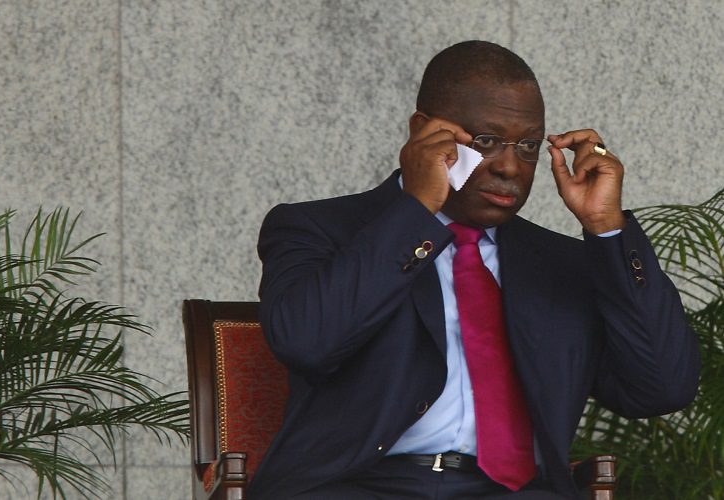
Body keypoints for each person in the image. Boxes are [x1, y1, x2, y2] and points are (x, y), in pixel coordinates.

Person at [250, 40, 700, 500]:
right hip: (356, 487)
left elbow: (662, 388)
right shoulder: (319, 228)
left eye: (528, 146)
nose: (510, 167)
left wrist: (608, 229)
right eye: (486, 141)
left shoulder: (561, 264)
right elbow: (306, 341)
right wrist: (417, 211)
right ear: (423, 132)